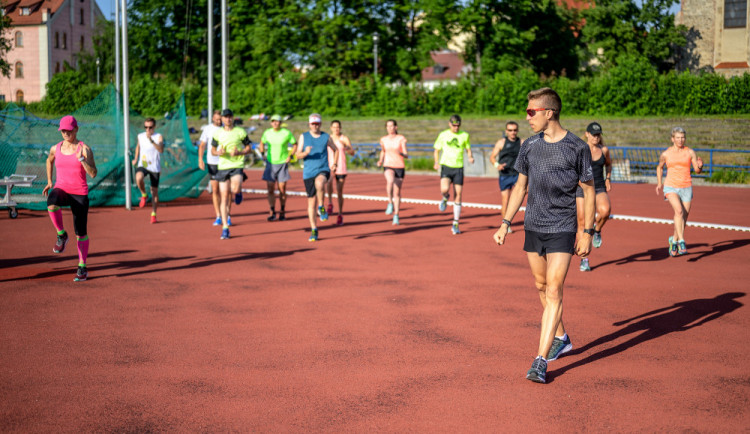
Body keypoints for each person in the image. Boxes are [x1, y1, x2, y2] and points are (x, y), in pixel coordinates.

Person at [492, 87, 595, 384]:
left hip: (563, 227)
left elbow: (588, 191)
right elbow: (520, 187)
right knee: (540, 285)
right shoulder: (529, 146)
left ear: (549, 112)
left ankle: (540, 361)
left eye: (531, 112)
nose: (527, 118)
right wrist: (505, 222)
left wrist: (587, 232)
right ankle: (561, 336)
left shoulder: (577, 147)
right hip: (533, 225)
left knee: (553, 290)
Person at [43, 115, 98, 281]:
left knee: (81, 233)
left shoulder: (84, 149)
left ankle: (82, 267)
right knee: (51, 202)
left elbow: (93, 173)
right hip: (61, 188)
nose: (66, 133)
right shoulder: (55, 148)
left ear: (76, 129)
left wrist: (82, 160)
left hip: (79, 193)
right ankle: (61, 234)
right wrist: (50, 181)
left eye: (69, 130)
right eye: (63, 130)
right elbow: (49, 160)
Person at [655, 127, 703, 256]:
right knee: (679, 211)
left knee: (684, 218)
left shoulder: (690, 152)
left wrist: (700, 166)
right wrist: (659, 183)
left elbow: (697, 171)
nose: (681, 140)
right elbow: (659, 168)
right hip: (671, 186)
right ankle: (681, 241)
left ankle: (674, 240)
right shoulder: (666, 154)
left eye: (682, 137)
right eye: (678, 138)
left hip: (686, 187)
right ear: (672, 139)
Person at [296, 113, 339, 242]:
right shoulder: (303, 137)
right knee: (310, 202)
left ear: (320, 124)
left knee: (320, 183)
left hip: (323, 169)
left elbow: (335, 150)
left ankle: (321, 206)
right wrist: (306, 153)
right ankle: (314, 229)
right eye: (312, 123)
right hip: (308, 172)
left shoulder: (326, 136)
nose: (315, 126)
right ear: (309, 124)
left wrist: (334, 163)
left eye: (317, 123)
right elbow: (297, 155)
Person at [577, 122, 613, 272]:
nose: (596, 137)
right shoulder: (579, 149)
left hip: (598, 186)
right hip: (581, 188)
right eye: (593, 134)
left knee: (605, 211)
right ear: (587, 134)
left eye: (598, 135)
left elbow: (609, 164)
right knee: (582, 221)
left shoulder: (604, 150)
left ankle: (596, 230)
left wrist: (608, 178)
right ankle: (584, 258)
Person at [211, 109, 251, 240]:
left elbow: (249, 148)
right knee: (224, 196)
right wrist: (218, 152)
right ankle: (225, 228)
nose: (228, 119)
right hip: (223, 167)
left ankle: (239, 192)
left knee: (235, 188)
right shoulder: (217, 133)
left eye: (230, 117)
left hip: (236, 165)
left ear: (232, 118)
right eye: (225, 117)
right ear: (221, 119)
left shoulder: (240, 132)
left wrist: (239, 153)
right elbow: (212, 150)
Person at [433, 114, 474, 234]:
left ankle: (455, 223)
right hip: (446, 166)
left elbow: (468, 148)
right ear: (449, 124)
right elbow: (436, 150)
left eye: (458, 125)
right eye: (454, 125)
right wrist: (436, 162)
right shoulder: (443, 134)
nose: (456, 128)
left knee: (459, 194)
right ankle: (445, 197)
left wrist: (470, 157)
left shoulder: (464, 135)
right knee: (444, 188)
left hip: (458, 168)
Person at [259, 114, 297, 222]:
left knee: (282, 189)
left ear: (280, 123)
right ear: (271, 123)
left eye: (277, 121)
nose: (275, 123)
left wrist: (290, 156)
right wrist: (262, 154)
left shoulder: (286, 133)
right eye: (273, 121)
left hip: (282, 163)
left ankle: (282, 211)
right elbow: (262, 142)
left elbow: (295, 144)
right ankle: (272, 211)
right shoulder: (267, 133)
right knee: (270, 188)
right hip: (270, 163)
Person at [490, 121, 522, 233]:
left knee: (526, 192)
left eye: (514, 130)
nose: (513, 132)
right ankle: (506, 224)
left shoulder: (521, 142)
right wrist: (496, 165)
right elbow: (492, 157)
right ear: (506, 131)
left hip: (518, 174)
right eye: (510, 130)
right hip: (505, 174)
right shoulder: (501, 142)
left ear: (517, 131)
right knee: (506, 201)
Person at [198, 110, 227, 226]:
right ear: (212, 119)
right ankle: (218, 216)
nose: (219, 121)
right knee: (215, 190)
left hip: (225, 162)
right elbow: (202, 145)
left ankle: (227, 214)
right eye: (216, 119)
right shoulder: (208, 129)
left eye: (220, 119)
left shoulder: (226, 128)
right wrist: (200, 159)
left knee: (225, 191)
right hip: (212, 162)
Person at [132, 117, 164, 223]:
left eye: (150, 127)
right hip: (143, 164)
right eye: (146, 127)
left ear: (154, 127)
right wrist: (136, 158)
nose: (148, 129)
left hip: (154, 167)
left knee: (154, 192)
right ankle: (144, 194)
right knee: (138, 178)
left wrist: (151, 140)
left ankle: (153, 214)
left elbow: (161, 149)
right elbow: (138, 146)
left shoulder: (158, 136)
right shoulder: (140, 136)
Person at [377, 119, 408, 225]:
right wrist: (380, 160)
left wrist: (401, 153)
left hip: (399, 166)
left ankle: (396, 215)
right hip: (388, 164)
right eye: (388, 126)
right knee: (390, 181)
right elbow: (383, 151)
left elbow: (406, 154)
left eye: (392, 126)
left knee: (397, 192)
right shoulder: (383, 139)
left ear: (396, 127)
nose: (390, 128)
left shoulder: (401, 138)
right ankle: (390, 203)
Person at [325, 120, 354, 226]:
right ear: (331, 128)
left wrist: (347, 148)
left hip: (341, 167)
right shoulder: (328, 138)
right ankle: (330, 203)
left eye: (338, 127)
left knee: (339, 191)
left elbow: (352, 152)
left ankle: (340, 214)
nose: (336, 129)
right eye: (334, 127)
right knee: (328, 183)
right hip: (329, 166)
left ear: (340, 128)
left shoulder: (344, 138)